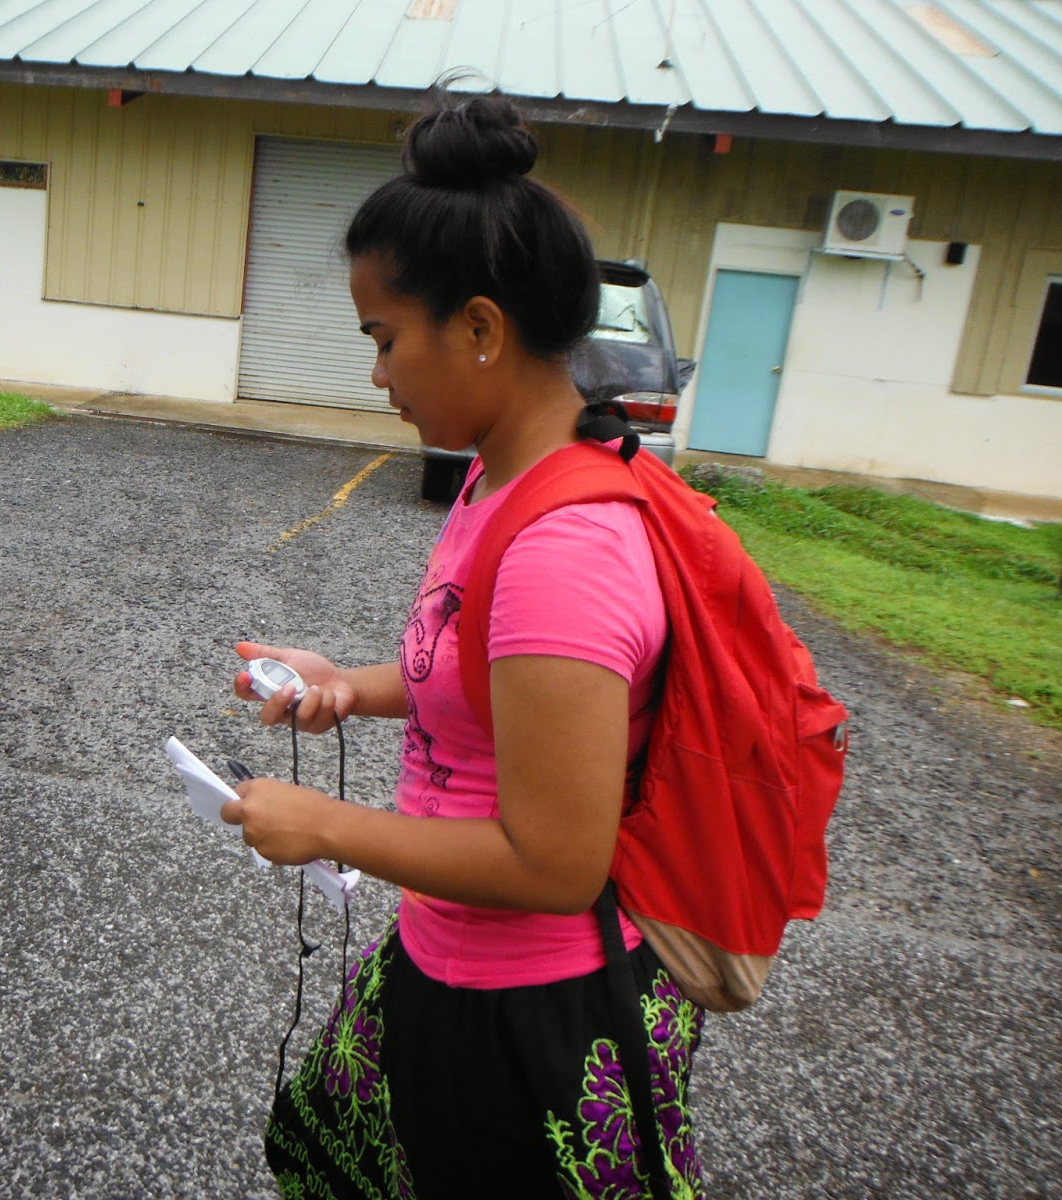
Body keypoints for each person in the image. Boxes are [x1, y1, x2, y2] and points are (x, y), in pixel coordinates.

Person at [220, 91, 706, 1198]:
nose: (376, 371)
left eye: (384, 339)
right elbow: (478, 679)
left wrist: (328, 826)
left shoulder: (564, 550)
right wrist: (350, 686)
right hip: (447, 958)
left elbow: (553, 861)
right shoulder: (500, 477)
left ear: (480, 329)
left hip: (532, 1012)